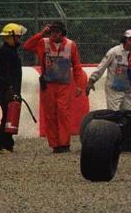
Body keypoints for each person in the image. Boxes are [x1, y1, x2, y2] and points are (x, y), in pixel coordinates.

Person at [22, 21, 87, 153]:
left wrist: (80, 86)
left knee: (63, 113)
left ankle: (64, 144)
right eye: (51, 31)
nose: (53, 34)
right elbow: (27, 46)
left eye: (56, 32)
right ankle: (55, 144)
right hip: (48, 85)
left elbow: (77, 67)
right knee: (50, 115)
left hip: (64, 85)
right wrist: (41, 33)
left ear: (62, 33)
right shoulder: (43, 43)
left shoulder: (70, 45)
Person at [0, 23, 26, 154]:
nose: (19, 39)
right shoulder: (4, 52)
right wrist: (11, 90)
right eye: (17, 36)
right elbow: (5, 74)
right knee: (7, 117)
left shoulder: (11, 51)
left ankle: (7, 144)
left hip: (10, 90)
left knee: (11, 117)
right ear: (11, 36)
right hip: (5, 90)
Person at [87, 29, 131, 111]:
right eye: (130, 40)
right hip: (113, 90)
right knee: (114, 114)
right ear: (124, 40)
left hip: (127, 90)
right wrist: (92, 80)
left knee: (129, 113)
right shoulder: (114, 51)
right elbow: (102, 66)